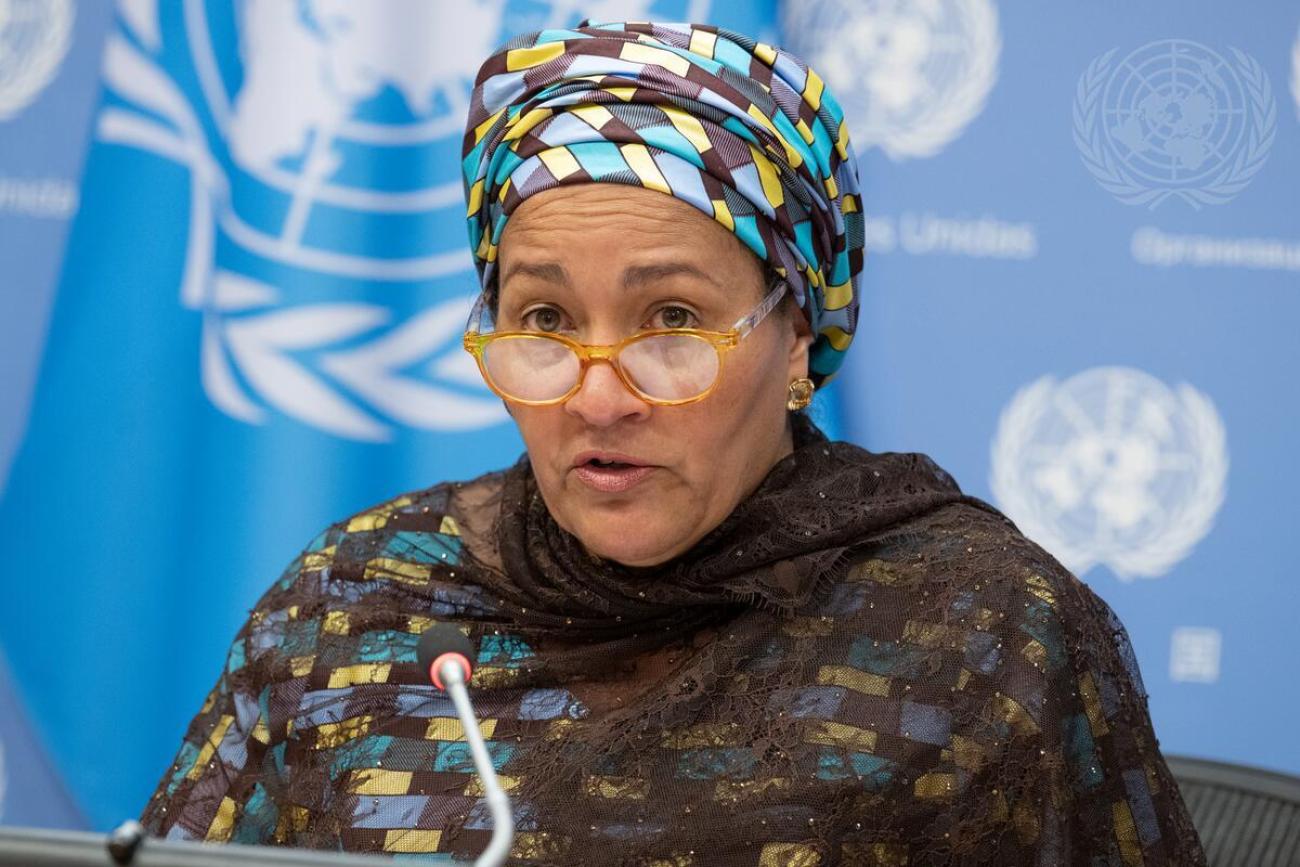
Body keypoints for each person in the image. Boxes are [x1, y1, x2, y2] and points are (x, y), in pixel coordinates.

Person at [141, 20, 1206, 866]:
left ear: (797, 334)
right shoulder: (356, 601)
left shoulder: (982, 629)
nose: (600, 400)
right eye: (547, 323)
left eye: (672, 323)